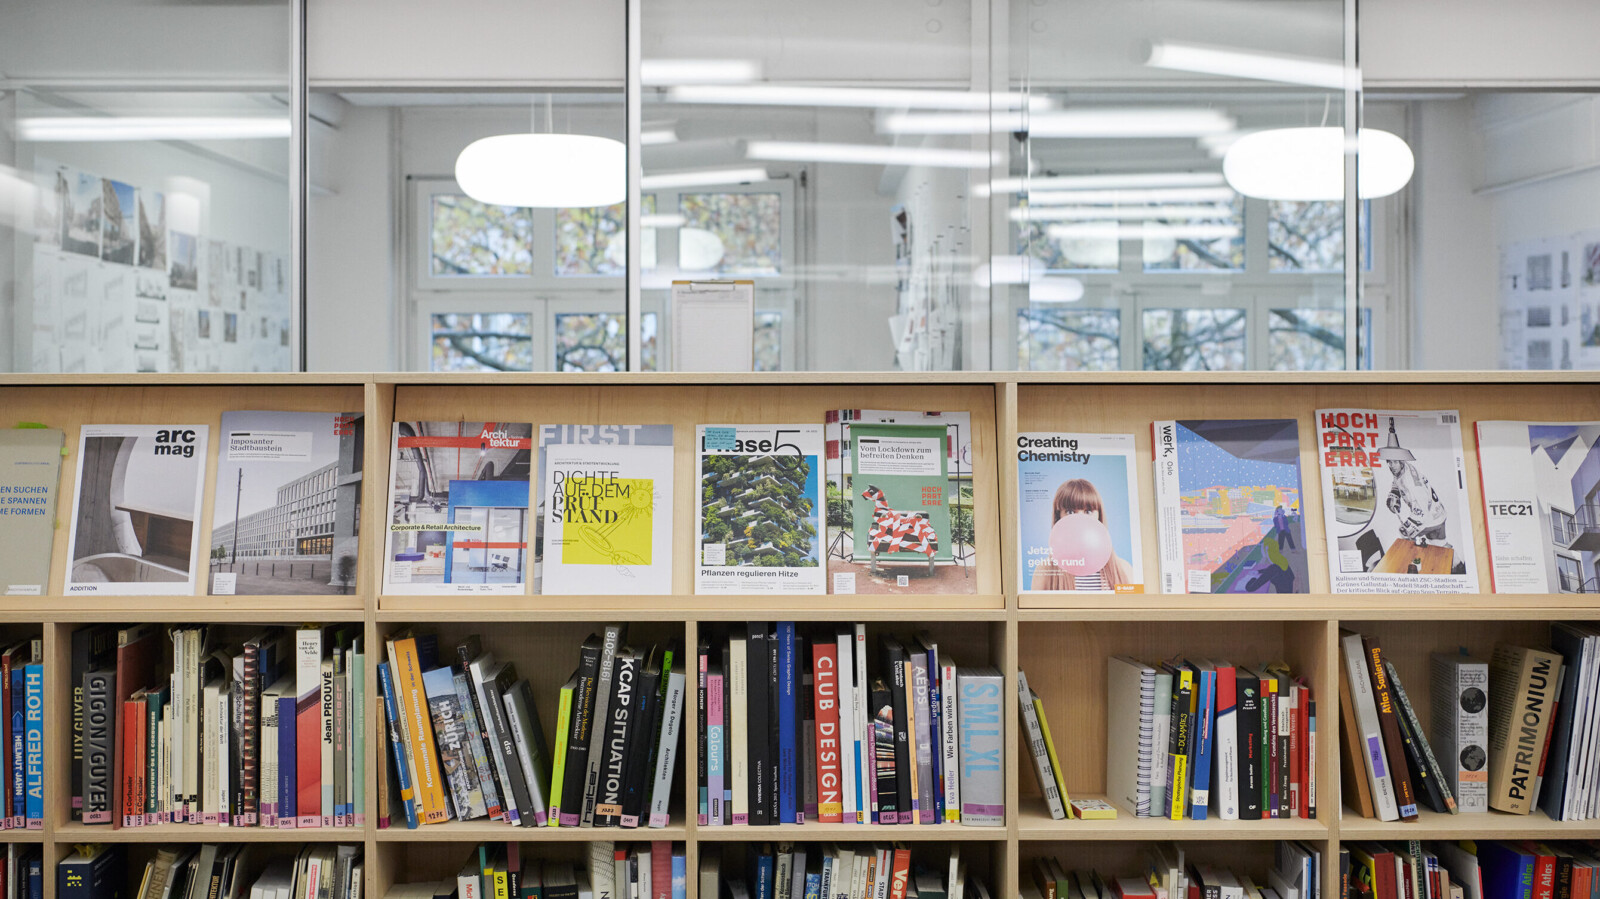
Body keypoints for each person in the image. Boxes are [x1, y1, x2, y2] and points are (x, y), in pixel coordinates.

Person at [1031, 478, 1137, 591]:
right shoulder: (1044, 572)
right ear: (1059, 518)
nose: (1080, 519)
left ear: (1099, 517)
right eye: (1070, 512)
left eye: (1088, 512)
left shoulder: (1124, 569)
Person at [1378, 417, 1449, 547]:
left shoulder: (1411, 483)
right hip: (1438, 512)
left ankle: (1416, 558)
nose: (1391, 465)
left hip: (1429, 517)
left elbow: (1422, 507)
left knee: (1405, 535)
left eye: (1394, 462)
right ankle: (1455, 559)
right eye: (1389, 462)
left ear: (1401, 460)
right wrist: (1394, 494)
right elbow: (1396, 482)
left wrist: (1409, 525)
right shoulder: (1402, 468)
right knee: (1440, 545)